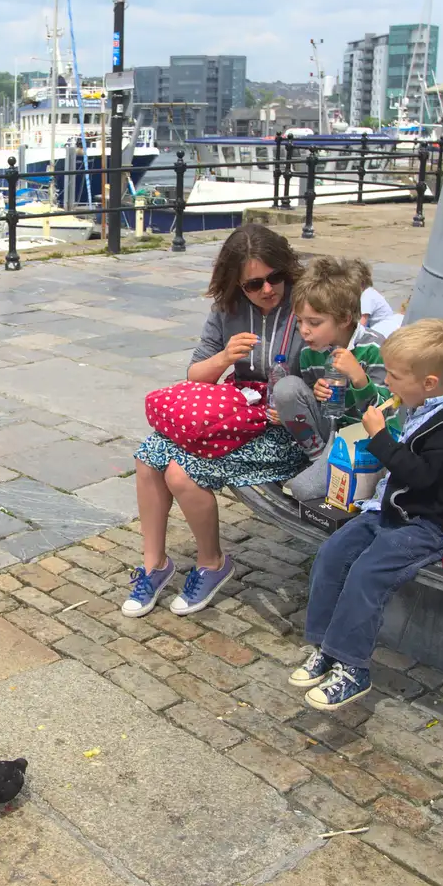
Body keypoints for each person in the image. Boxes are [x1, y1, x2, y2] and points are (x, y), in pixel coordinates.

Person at [291, 318, 443, 710]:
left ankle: (354, 668)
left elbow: (420, 476)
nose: (386, 382)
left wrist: (380, 438)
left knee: (368, 572)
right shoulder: (418, 408)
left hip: (428, 524)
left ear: (429, 384)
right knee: (333, 555)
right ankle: (327, 647)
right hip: (388, 511)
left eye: (394, 375)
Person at [124, 224, 311, 619]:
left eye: (275, 277)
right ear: (235, 284)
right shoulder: (228, 309)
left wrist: (296, 399)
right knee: (148, 458)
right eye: (253, 283)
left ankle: (212, 564)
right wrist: (225, 358)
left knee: (181, 473)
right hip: (239, 416)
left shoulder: (307, 305)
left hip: (288, 428)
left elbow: (329, 369)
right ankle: (155, 565)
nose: (267, 290)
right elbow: (195, 374)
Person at [268, 257, 398, 501]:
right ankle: (319, 461)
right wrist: (315, 394)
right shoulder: (311, 352)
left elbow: (388, 413)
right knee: (286, 387)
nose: (304, 330)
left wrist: (359, 380)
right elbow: (307, 404)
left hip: (364, 441)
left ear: (344, 319)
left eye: (314, 323)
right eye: (300, 321)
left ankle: (334, 471)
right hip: (330, 436)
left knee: (300, 490)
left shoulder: (374, 348)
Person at [347, 258, 403, 343]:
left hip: (384, 330)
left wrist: (353, 339)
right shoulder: (369, 292)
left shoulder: (367, 296)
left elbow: (363, 320)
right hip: (385, 326)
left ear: (360, 283)